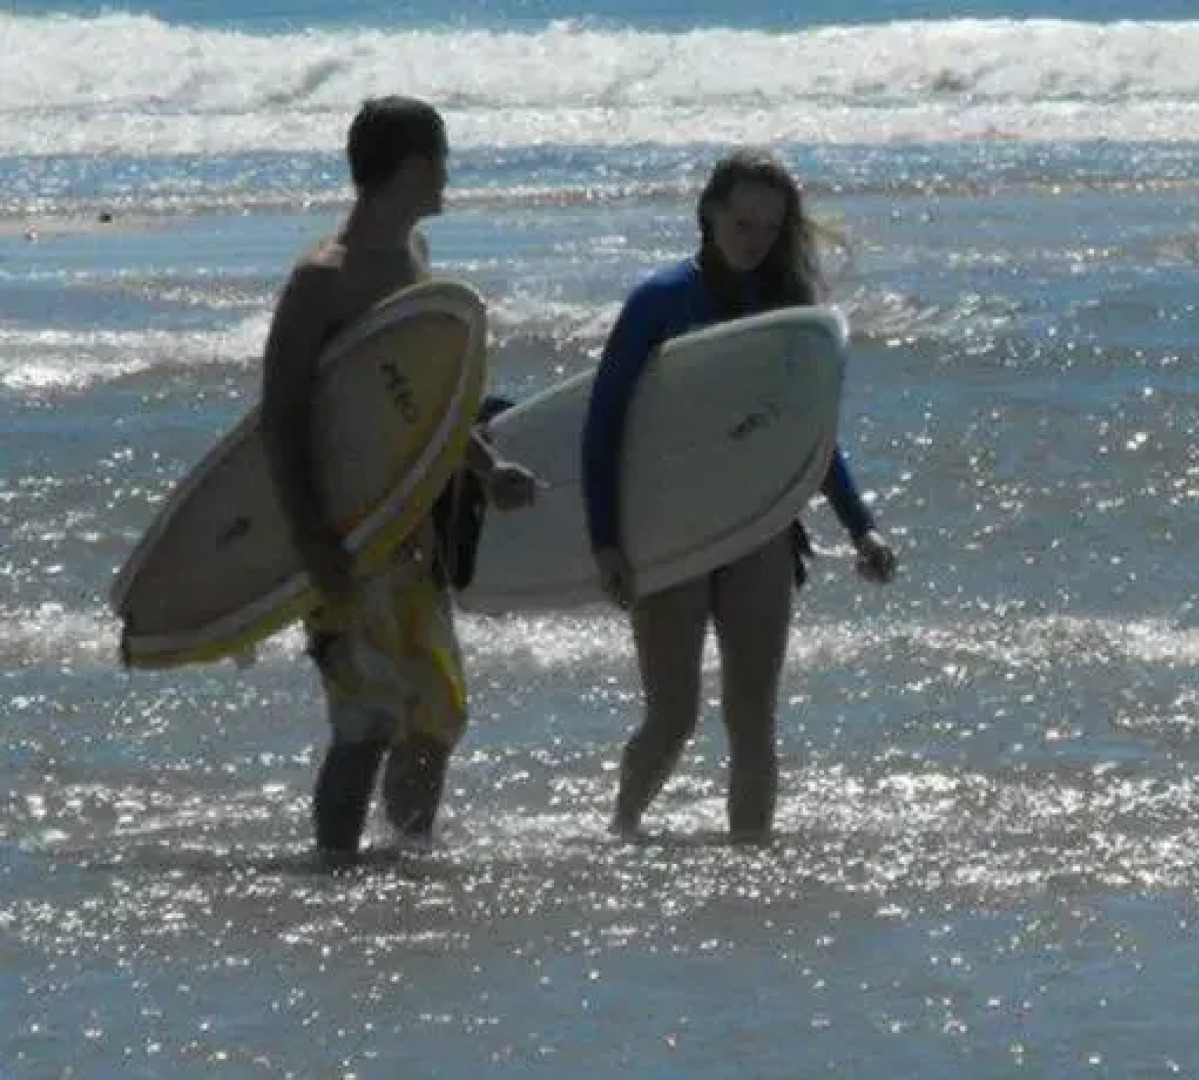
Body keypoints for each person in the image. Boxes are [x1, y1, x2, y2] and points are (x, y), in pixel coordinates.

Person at [582, 147, 898, 843]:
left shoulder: (788, 311)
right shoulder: (659, 301)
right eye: (742, 223)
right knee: (673, 715)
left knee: (753, 717)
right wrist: (605, 539)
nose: (755, 240)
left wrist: (861, 527)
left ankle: (749, 863)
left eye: (769, 227)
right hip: (673, 528)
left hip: (759, 525)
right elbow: (603, 425)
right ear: (709, 214)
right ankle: (621, 832)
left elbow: (809, 435)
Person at [259, 96, 539, 862]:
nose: (448, 177)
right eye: (442, 162)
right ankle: (336, 873)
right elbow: (280, 419)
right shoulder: (322, 279)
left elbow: (425, 409)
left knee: (436, 712)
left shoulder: (414, 257)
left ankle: (405, 859)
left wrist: (488, 467)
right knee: (364, 721)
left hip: (413, 533)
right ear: (415, 167)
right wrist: (313, 544)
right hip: (347, 535)